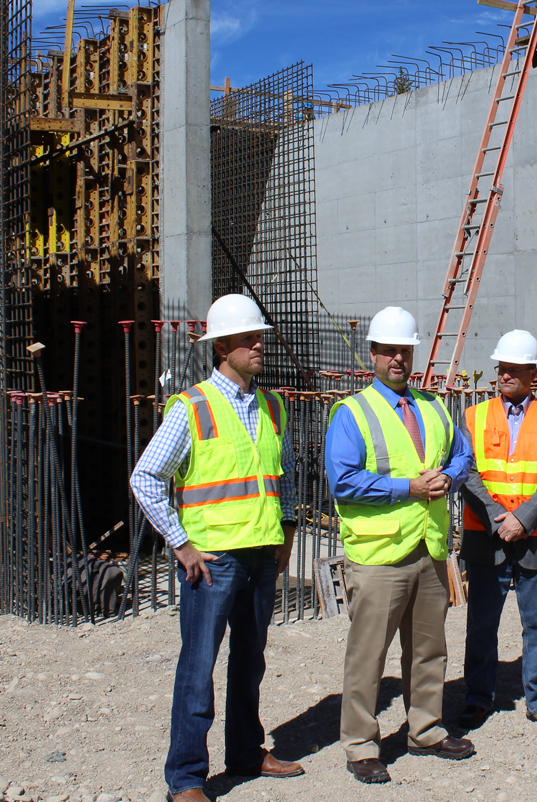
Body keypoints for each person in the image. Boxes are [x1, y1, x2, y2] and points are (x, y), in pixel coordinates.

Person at [129, 294, 304, 802]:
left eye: (260, 337)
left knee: (250, 662)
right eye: (249, 338)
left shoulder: (273, 405)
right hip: (213, 562)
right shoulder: (193, 407)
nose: (258, 344)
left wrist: (286, 532)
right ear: (221, 346)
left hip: (261, 553)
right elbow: (146, 478)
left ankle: (247, 752)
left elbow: (284, 473)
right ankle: (185, 778)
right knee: (199, 667)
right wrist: (181, 544)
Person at [325, 306, 477, 784]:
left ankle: (426, 728)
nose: (397, 359)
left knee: (430, 649)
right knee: (368, 655)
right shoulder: (352, 413)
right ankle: (360, 744)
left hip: (429, 550)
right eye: (389, 351)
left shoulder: (432, 407)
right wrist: (408, 488)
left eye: (404, 351)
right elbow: (343, 480)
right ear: (371, 355)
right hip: (377, 557)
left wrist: (448, 479)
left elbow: (463, 453)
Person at [459, 329, 537, 729]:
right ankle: (477, 696)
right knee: (482, 623)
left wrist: (522, 519)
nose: (504, 375)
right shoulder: (474, 416)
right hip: (486, 536)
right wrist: (498, 518)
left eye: (513, 369)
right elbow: (466, 472)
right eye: (501, 369)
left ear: (532, 372)